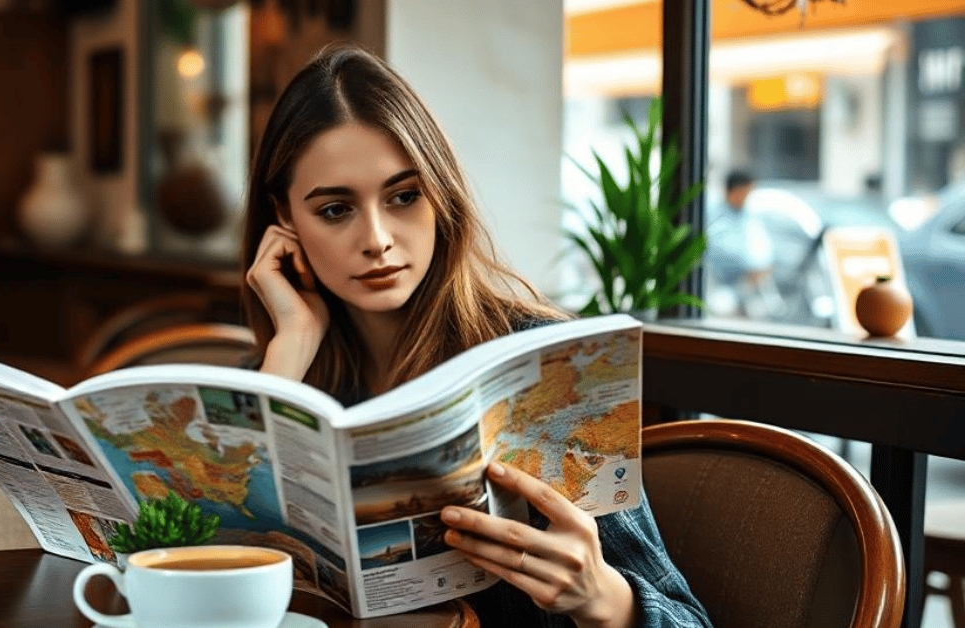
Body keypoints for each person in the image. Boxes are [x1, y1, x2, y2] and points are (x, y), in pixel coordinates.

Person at [240, 43, 711, 628]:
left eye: (405, 196)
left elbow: (689, 621)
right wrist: (287, 353)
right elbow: (186, 585)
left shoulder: (549, 370)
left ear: (441, 195)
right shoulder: (273, 372)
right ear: (284, 218)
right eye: (335, 209)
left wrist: (604, 600)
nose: (378, 238)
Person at [705, 170, 780, 318]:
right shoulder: (712, 214)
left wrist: (760, 267)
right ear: (733, 190)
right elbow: (717, 248)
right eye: (745, 192)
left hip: (751, 287)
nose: (747, 197)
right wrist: (748, 267)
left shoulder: (749, 215)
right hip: (720, 288)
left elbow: (763, 247)